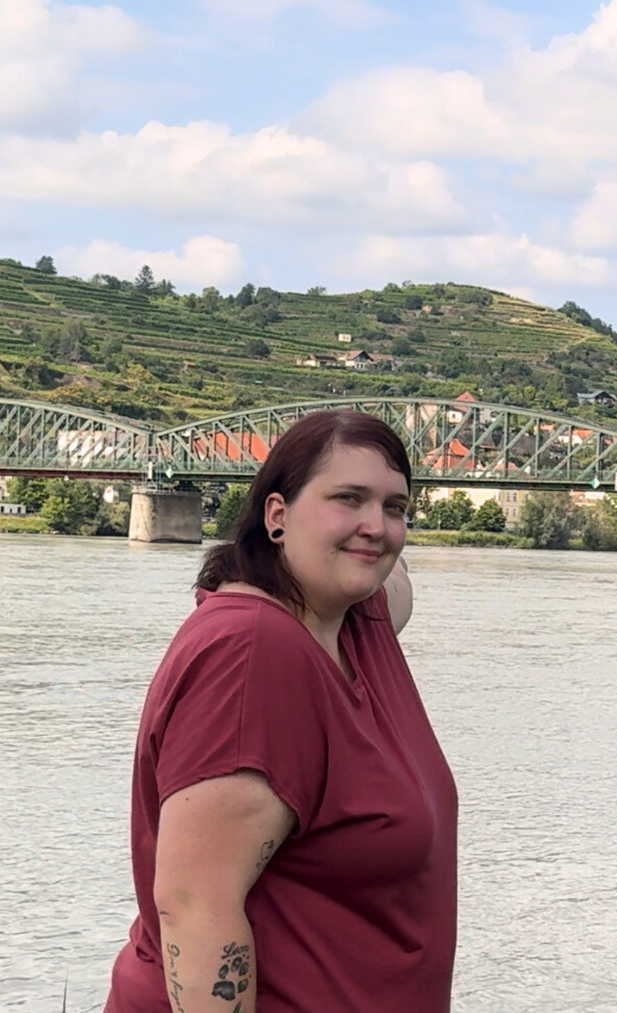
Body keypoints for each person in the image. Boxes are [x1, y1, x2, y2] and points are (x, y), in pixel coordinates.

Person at [105, 410, 458, 1013]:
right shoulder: (250, 655)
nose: (376, 526)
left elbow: (394, 573)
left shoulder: (355, 620)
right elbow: (195, 906)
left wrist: (353, 535)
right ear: (277, 515)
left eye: (395, 507)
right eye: (347, 498)